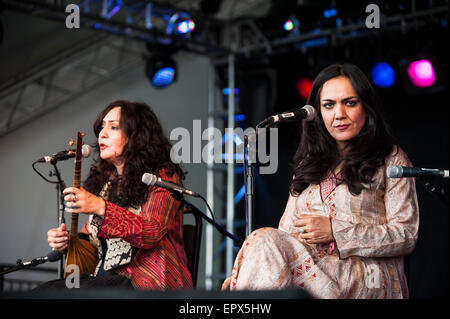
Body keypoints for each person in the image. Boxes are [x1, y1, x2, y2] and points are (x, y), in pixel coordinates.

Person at [222, 63, 419, 298]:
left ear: (366, 107)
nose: (339, 114)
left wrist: (336, 231)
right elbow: (284, 234)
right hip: (314, 276)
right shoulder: (308, 163)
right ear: (318, 112)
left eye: (350, 103)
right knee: (262, 240)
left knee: (263, 241)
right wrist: (251, 269)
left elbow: (406, 235)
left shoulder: (391, 158)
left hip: (366, 278)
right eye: (328, 105)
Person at [41, 100, 193, 290]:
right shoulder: (108, 184)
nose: (102, 134)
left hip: (147, 284)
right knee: (47, 290)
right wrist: (67, 241)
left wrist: (100, 207)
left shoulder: (162, 176)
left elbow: (151, 232)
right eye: (101, 127)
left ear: (137, 136)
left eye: (113, 127)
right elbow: (93, 241)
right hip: (107, 281)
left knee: (51, 292)